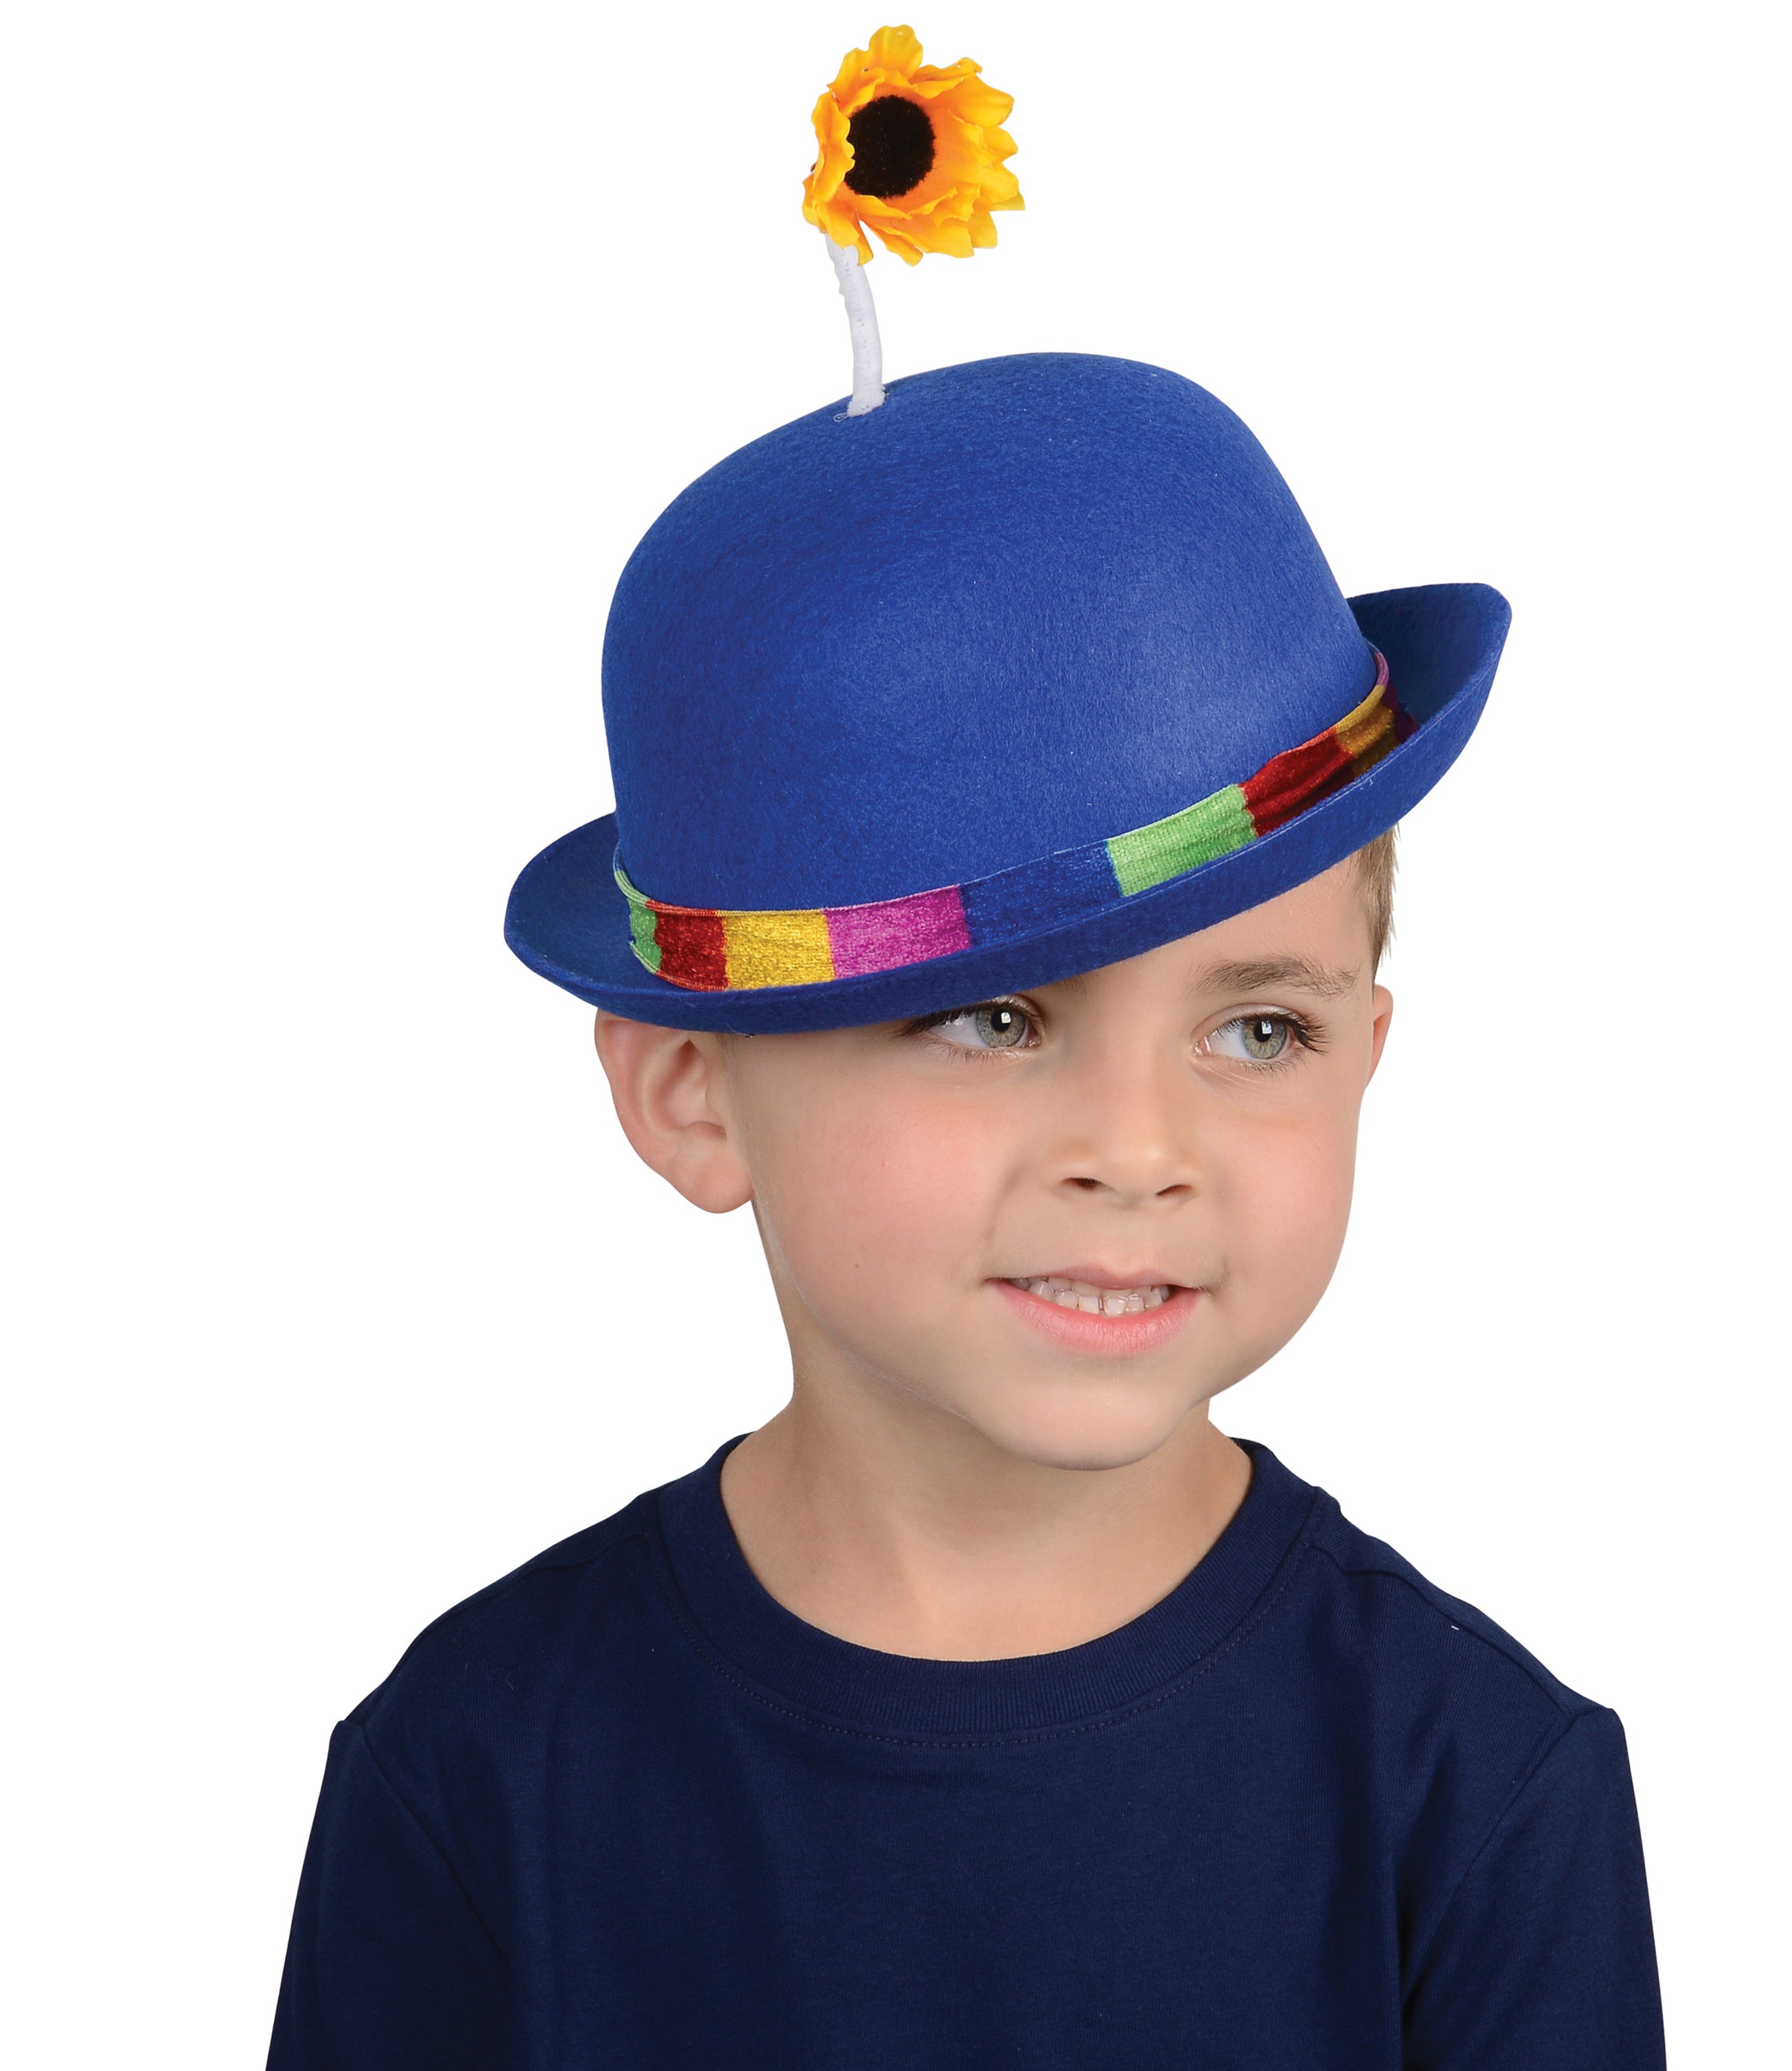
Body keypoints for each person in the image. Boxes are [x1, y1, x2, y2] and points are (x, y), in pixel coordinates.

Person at [267, 351, 1667, 2068]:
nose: (1138, 1150)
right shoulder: (477, 1775)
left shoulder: (1479, 1791)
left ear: (1366, 1054)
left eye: (1257, 1030)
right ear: (692, 1094)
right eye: (995, 1020)